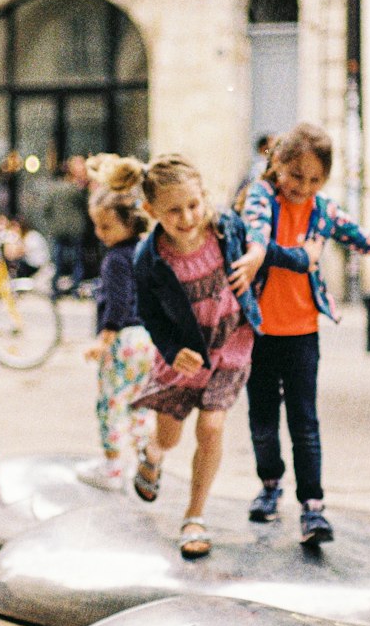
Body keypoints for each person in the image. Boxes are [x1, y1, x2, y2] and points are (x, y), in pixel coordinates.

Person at [239, 123, 370, 543]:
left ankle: (313, 508)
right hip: (259, 333)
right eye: (296, 176)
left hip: (302, 333)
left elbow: (366, 240)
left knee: (304, 422)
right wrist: (300, 257)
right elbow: (257, 236)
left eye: (315, 180)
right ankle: (269, 485)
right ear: (277, 165)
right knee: (262, 420)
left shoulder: (323, 210)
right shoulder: (261, 196)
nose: (303, 187)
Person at [131, 153, 313, 560]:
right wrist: (174, 351)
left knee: (211, 427)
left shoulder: (226, 228)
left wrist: (296, 258)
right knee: (169, 435)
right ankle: (152, 453)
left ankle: (194, 516)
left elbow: (264, 250)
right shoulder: (149, 257)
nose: (187, 216)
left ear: (204, 197)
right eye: (173, 210)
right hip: (184, 355)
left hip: (231, 344)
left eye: (193, 204)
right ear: (151, 210)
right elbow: (149, 314)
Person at [76, 159, 156, 493]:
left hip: (122, 339)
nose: (99, 234)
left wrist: (104, 339)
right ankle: (143, 460)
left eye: (106, 227)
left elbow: (118, 303)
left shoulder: (115, 260)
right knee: (139, 401)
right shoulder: (145, 251)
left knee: (110, 401)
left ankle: (111, 466)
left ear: (128, 222)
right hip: (148, 340)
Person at [42, 155, 91, 297]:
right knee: (77, 259)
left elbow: (46, 209)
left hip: (59, 229)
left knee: (58, 259)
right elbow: (86, 206)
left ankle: (55, 288)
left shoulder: (54, 189)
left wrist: (52, 224)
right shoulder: (76, 189)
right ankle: (76, 288)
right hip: (76, 229)